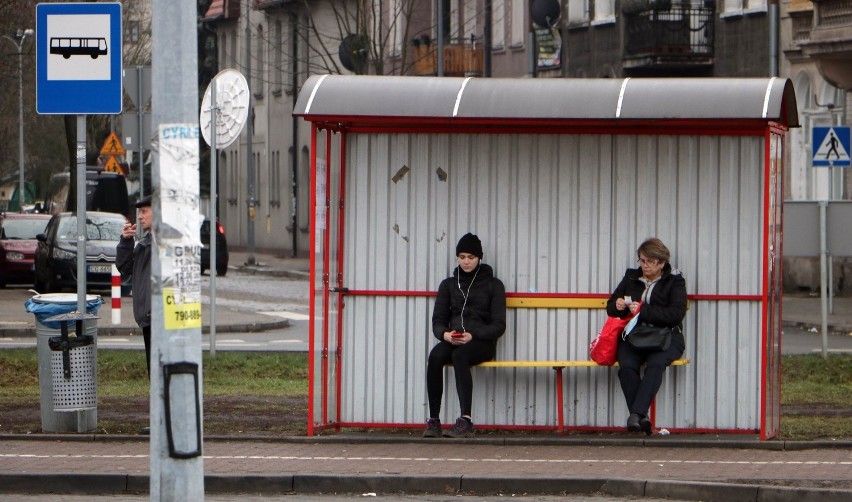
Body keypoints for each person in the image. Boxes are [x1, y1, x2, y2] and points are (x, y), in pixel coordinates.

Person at [424, 233, 506, 438]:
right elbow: (437, 321)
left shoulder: (494, 285)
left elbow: (499, 325)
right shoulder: (448, 285)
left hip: (481, 342)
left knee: (460, 356)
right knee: (435, 356)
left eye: (470, 257)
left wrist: (474, 335)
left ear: (479, 258)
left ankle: (465, 420)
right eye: (462, 257)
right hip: (454, 339)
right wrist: (445, 334)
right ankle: (434, 420)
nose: (466, 261)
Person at [606, 238, 686, 435]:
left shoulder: (675, 281)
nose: (645, 265)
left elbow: (675, 314)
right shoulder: (631, 277)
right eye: (642, 261)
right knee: (626, 367)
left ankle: (635, 414)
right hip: (634, 335)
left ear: (661, 262)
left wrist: (644, 311)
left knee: (655, 366)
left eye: (650, 261)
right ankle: (641, 417)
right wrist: (617, 307)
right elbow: (610, 307)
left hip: (666, 336)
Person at [116, 196, 153, 376]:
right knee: (154, 372)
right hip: (148, 318)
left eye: (144, 212)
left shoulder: (164, 245)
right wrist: (126, 241)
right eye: (139, 212)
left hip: (161, 319)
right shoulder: (145, 243)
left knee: (162, 373)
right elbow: (125, 268)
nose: (140, 216)